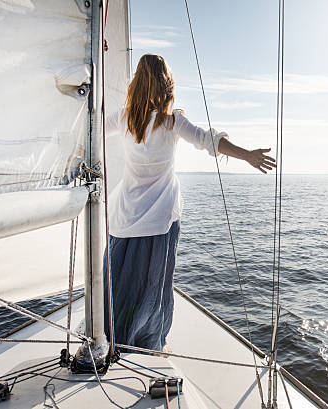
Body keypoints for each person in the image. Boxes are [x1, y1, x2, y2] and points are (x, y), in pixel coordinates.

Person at [103, 54, 276, 353]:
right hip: (158, 218)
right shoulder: (171, 122)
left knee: (119, 282)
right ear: (166, 84)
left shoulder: (124, 118)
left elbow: (91, 126)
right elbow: (207, 139)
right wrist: (246, 154)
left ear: (136, 83)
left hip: (124, 216)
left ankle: (113, 338)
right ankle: (146, 343)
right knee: (152, 286)